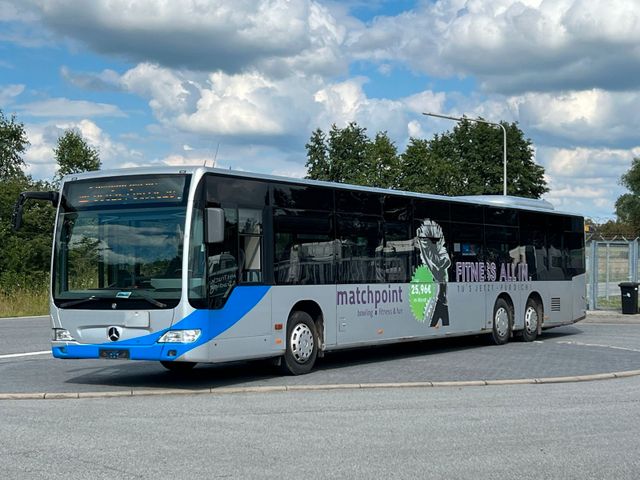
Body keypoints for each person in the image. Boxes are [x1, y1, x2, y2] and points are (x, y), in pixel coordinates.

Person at [416, 219, 451, 327]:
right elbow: (428, 260)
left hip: (442, 302)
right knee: (437, 325)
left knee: (437, 325)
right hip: (441, 302)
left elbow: (446, 261)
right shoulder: (435, 265)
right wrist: (421, 245)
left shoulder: (441, 257)